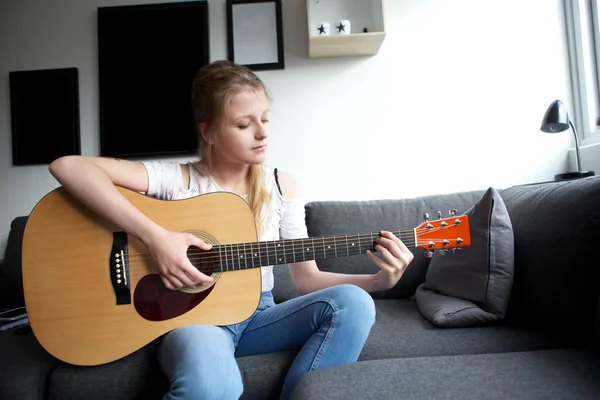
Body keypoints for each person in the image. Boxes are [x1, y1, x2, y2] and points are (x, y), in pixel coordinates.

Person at [49, 59, 414, 400]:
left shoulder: (281, 187)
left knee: (355, 303)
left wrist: (377, 282)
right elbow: (68, 167)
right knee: (216, 388)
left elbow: (307, 281)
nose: (261, 133)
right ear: (208, 132)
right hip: (194, 319)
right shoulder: (178, 180)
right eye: (243, 124)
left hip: (260, 314)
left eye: (265, 120)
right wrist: (157, 238)